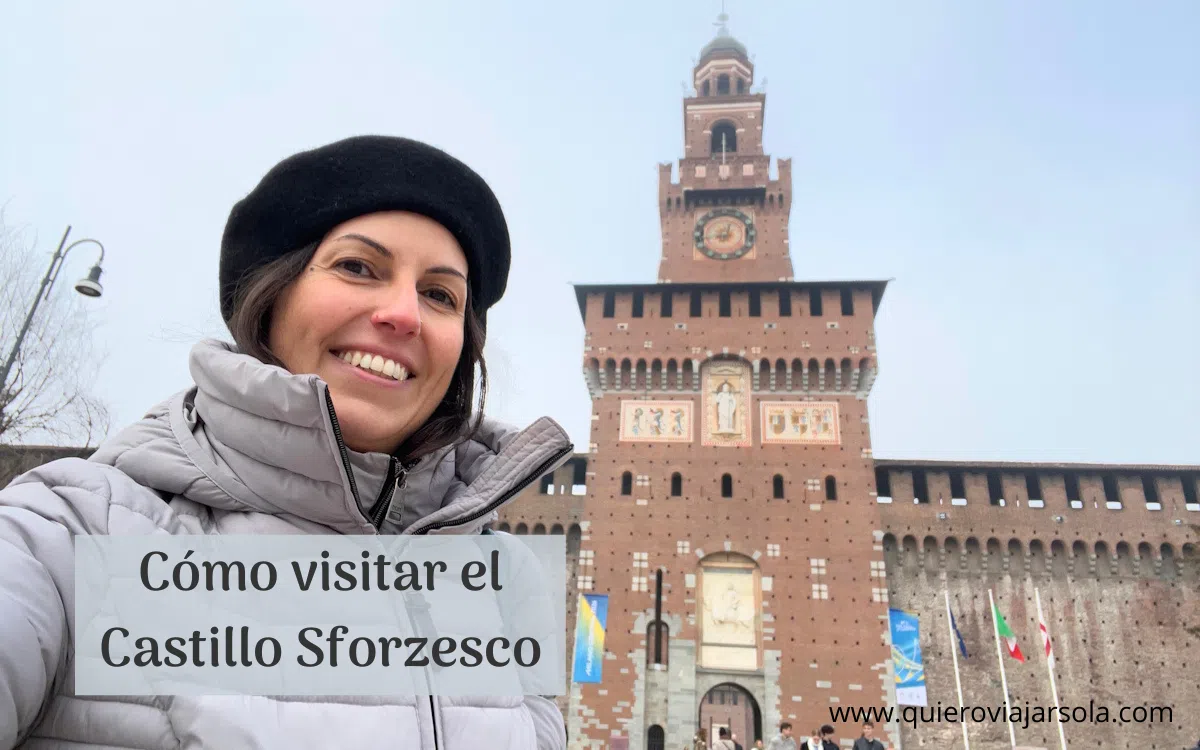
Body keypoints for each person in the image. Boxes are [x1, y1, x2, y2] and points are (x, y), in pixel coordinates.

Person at [0, 136, 573, 750]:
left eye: (440, 295)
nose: (403, 313)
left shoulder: (504, 585)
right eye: (357, 267)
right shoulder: (71, 533)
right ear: (272, 295)